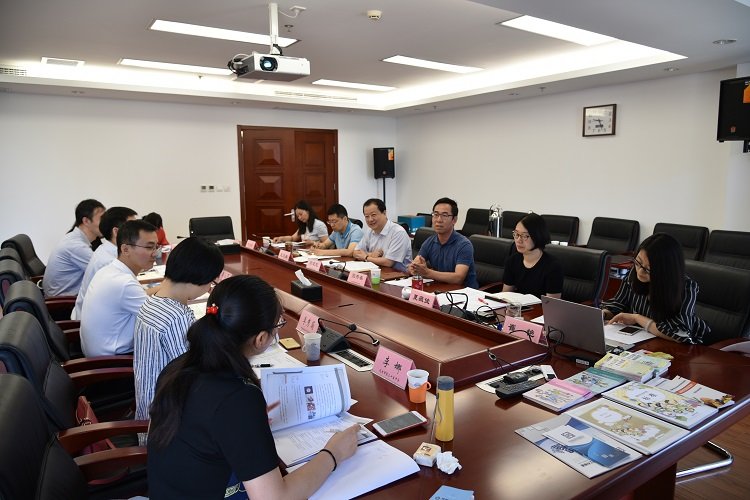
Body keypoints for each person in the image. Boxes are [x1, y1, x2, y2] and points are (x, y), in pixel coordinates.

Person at [147, 275, 359, 499]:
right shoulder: (238, 399)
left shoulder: (178, 367)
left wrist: (245, 423)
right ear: (260, 339)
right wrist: (333, 453)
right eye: (277, 325)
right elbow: (273, 498)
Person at [134, 237, 224, 444]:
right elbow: (196, 377)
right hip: (166, 429)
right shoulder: (177, 317)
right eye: (211, 281)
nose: (209, 288)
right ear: (199, 278)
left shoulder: (152, 302)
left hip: (147, 416)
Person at [601, 233, 710, 344]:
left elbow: (680, 333)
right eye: (638, 262)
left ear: (666, 270)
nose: (640, 272)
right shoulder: (634, 274)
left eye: (648, 269)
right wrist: (603, 314)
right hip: (644, 339)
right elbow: (618, 304)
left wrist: (637, 318)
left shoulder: (687, 287)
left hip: (690, 347)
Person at [80, 220, 160, 356]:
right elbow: (161, 320)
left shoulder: (110, 270)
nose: (155, 253)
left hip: (101, 355)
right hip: (115, 362)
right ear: (125, 249)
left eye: (156, 247)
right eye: (149, 247)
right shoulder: (124, 283)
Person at [72, 206, 138, 320]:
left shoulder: (105, 249)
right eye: (134, 228)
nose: (139, 233)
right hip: (92, 320)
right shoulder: (109, 262)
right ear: (116, 232)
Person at [408, 197, 478, 288]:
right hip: (440, 289)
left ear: (454, 220)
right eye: (435, 214)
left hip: (463, 292)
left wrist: (428, 272)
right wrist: (414, 268)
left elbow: (458, 278)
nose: (439, 220)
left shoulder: (464, 245)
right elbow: (416, 263)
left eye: (444, 215)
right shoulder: (429, 241)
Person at [43, 198, 105, 297]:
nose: (106, 223)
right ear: (86, 221)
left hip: (66, 297)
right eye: (102, 219)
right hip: (64, 303)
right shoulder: (76, 246)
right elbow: (106, 272)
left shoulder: (74, 238)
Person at [501, 212, 563, 298]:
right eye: (516, 234)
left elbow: (552, 304)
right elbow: (505, 296)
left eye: (524, 236)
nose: (518, 240)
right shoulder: (512, 261)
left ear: (538, 236)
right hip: (518, 306)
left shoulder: (553, 266)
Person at [352, 198, 412, 272]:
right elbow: (355, 252)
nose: (370, 219)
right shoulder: (370, 231)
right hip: (377, 272)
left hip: (399, 275)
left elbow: (388, 262)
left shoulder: (398, 232)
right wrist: (371, 255)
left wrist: (366, 257)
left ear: (384, 213)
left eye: (373, 215)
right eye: (367, 216)